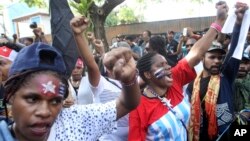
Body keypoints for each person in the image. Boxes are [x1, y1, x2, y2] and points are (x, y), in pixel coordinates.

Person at [128, 1, 228, 140]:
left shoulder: (174, 79)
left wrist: (219, 21)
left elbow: (196, 53)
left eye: (166, 63)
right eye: (161, 65)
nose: (168, 67)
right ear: (147, 74)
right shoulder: (138, 108)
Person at [0, 42, 140, 140]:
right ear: (10, 94)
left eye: (55, 101)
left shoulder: (75, 121)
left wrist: (129, 80)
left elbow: (127, 104)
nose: (44, 112)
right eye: (32, 99)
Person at [187, 2, 248, 141]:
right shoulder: (192, 85)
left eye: (220, 57)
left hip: (226, 135)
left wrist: (238, 23)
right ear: (202, 58)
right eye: (212, 57)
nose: (217, 61)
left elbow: (235, 49)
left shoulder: (225, 76)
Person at [71, 16, 132, 141]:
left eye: (125, 62)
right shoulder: (101, 84)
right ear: (107, 67)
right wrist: (78, 35)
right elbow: (91, 65)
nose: (120, 65)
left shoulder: (133, 83)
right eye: (115, 62)